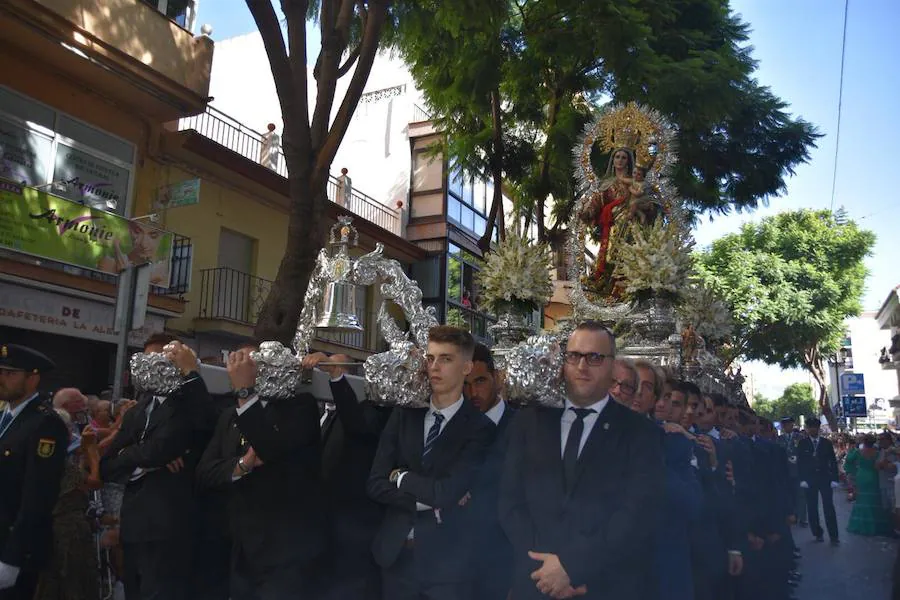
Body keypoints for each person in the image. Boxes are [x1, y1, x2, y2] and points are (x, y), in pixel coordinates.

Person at [500, 321, 664, 600]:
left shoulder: (642, 434)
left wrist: (573, 568)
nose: (582, 366)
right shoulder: (527, 422)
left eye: (594, 358)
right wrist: (545, 568)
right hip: (535, 582)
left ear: (613, 367)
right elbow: (509, 502)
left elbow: (636, 515)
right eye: (573, 356)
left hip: (602, 586)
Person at [367, 326, 493, 600]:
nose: (434, 367)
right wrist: (431, 499)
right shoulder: (405, 413)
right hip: (395, 558)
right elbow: (375, 483)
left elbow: (448, 492)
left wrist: (400, 478)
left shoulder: (480, 428)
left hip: (449, 569)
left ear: (466, 367)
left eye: (446, 359)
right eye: (430, 358)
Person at [196, 347, 327, 600]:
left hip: (285, 552)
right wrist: (241, 465)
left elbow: (270, 449)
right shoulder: (229, 415)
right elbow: (204, 472)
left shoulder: (300, 407)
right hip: (242, 548)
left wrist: (245, 394)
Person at [99, 337, 214, 600]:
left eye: (164, 360)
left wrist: (192, 374)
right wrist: (139, 459)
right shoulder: (137, 412)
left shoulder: (189, 408)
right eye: (148, 360)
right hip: (134, 527)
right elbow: (108, 465)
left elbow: (163, 447)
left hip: (169, 528)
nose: (153, 367)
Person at [301, 352, 391, 600]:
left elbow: (359, 428)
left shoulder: (371, 412)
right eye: (326, 367)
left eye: (337, 367)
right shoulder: (318, 410)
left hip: (354, 528)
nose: (328, 370)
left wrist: (338, 379)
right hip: (322, 527)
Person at [0, 344, 68, 600]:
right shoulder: (4, 417)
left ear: (33, 378)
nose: (2, 378)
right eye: (0, 371)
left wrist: (13, 558)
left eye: (10, 373)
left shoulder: (45, 423)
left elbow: (37, 496)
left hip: (12, 547)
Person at [463, 343, 516, 600]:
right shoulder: (451, 425)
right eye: (466, 383)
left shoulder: (523, 427)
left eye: (480, 381)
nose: (473, 391)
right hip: (453, 568)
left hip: (503, 566)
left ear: (497, 378)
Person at [33, 412, 101, 600]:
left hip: (45, 528)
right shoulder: (59, 459)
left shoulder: (37, 454)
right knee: (73, 585)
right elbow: (93, 482)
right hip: (69, 530)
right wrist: (91, 451)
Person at [797, 416, 840, 545]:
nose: (813, 430)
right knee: (812, 507)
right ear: (807, 429)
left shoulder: (826, 443)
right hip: (809, 480)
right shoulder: (803, 443)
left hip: (825, 479)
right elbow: (800, 463)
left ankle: (834, 536)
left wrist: (834, 479)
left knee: (829, 507)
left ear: (818, 428)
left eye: (815, 427)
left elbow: (832, 461)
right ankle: (817, 532)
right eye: (810, 428)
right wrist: (802, 479)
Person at [845, 434, 892, 537]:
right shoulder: (878, 453)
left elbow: (848, 460)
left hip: (862, 476)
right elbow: (880, 464)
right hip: (874, 476)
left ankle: (862, 525)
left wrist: (850, 472)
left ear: (864, 442)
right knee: (874, 500)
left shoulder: (858, 452)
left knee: (862, 499)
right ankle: (875, 525)